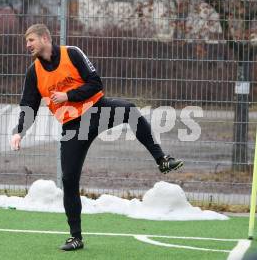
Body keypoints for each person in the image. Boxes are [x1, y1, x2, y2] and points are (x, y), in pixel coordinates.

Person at [10, 24, 183, 251]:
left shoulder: (72, 53)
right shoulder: (34, 72)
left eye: (31, 39)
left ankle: (162, 159)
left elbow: (95, 83)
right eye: (27, 41)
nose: (28, 45)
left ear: (44, 38)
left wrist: (68, 95)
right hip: (72, 127)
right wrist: (19, 131)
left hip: (97, 111)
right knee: (69, 180)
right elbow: (28, 106)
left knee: (130, 110)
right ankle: (76, 237)